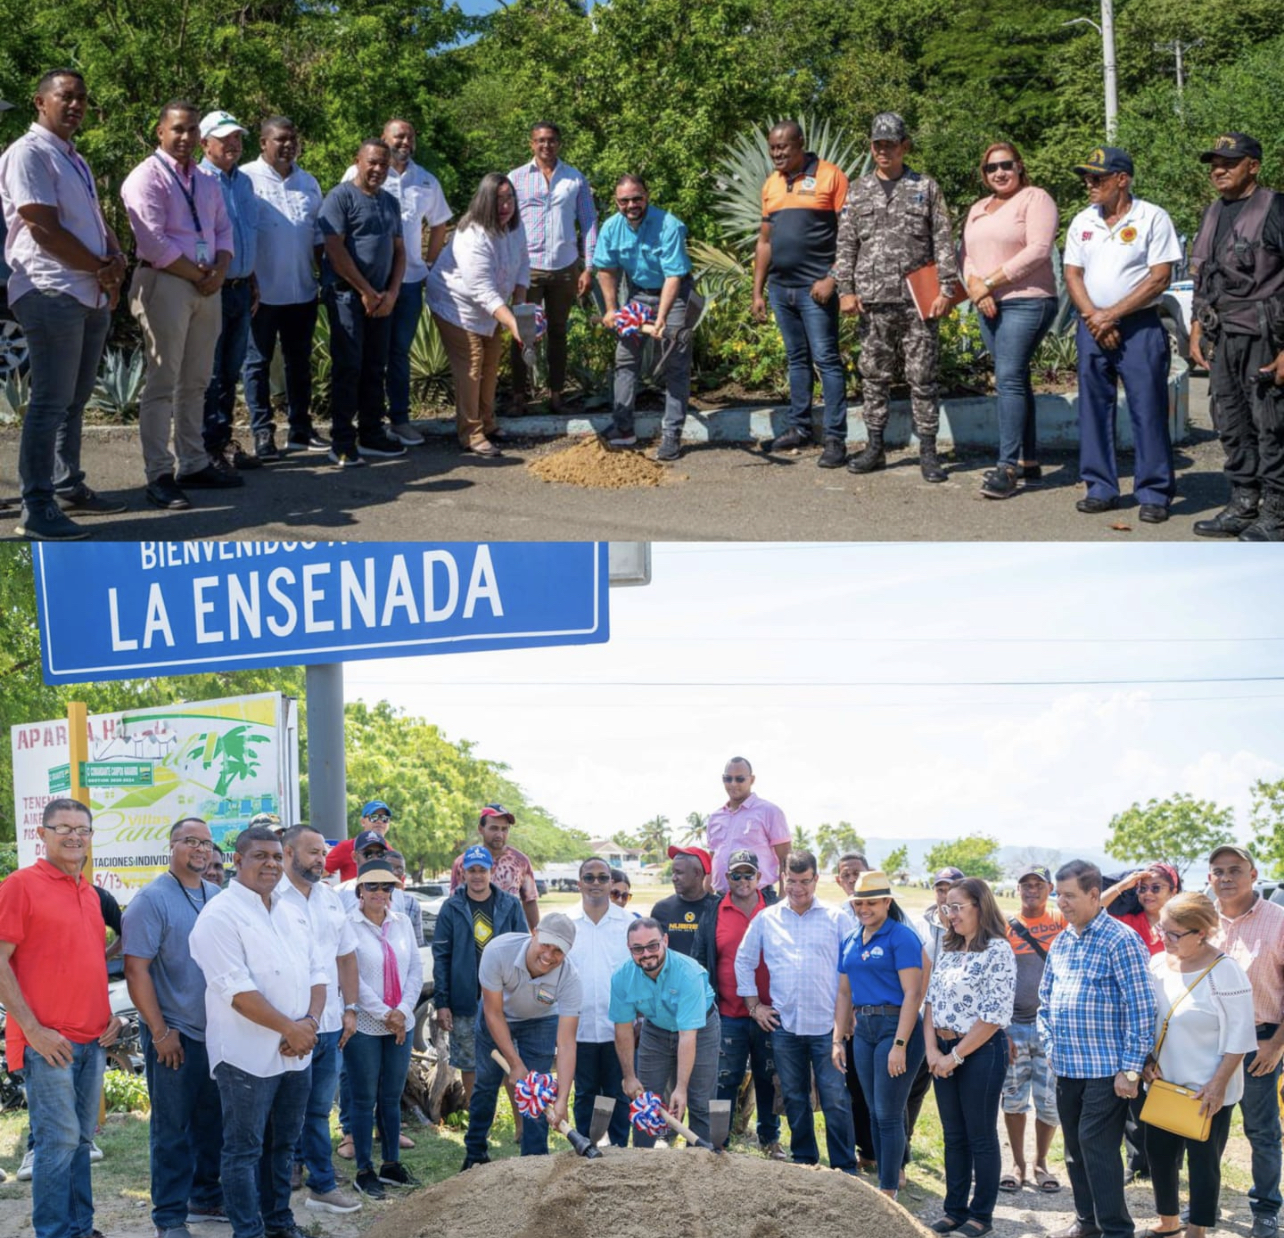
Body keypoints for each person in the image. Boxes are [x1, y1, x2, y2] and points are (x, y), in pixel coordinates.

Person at [0, 68, 128, 540]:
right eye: (65, 97)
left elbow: (93, 219)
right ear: (40, 102)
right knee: (49, 402)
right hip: (51, 288)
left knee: (73, 401)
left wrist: (114, 258)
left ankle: (67, 484)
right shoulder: (27, 153)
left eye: (82, 98)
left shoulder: (72, 156)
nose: (75, 105)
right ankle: (36, 507)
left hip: (87, 290)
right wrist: (100, 265)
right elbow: (42, 227)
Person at [188, 825, 326, 1238]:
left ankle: (279, 1223)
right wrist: (292, 1028)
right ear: (237, 860)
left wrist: (310, 1025)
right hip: (245, 1056)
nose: (270, 864)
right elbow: (237, 992)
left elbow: (318, 972)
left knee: (282, 1146)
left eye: (275, 857)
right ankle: (248, 1231)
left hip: (295, 1050)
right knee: (244, 1150)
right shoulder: (219, 916)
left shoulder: (290, 909)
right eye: (259, 856)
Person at [0, 799, 122, 1238]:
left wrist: (110, 1017)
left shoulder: (89, 893)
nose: (74, 836)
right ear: (43, 834)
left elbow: (83, 962)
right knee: (58, 1144)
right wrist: (32, 1030)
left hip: (93, 1040)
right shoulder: (20, 885)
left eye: (82, 829)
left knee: (80, 1144)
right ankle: (56, 1232)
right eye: (63, 828)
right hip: (48, 1044)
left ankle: (80, 1228)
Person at [121, 99, 238, 511]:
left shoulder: (206, 181)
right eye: (178, 130)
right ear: (160, 132)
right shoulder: (146, 177)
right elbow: (153, 241)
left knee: (197, 381)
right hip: (167, 282)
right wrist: (199, 275)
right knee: (162, 383)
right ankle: (158, 474)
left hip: (207, 286)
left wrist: (220, 270)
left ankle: (193, 462)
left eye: (192, 130)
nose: (185, 137)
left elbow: (223, 230)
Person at [834, 111, 958, 483]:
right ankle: (875, 447)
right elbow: (846, 243)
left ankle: (929, 452)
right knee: (874, 376)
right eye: (877, 144)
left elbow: (944, 240)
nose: (883, 150)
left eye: (890, 144)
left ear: (905, 145)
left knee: (923, 377)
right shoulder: (858, 190)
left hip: (918, 300)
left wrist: (947, 289)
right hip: (873, 300)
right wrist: (845, 290)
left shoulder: (926, 187)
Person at [1063, 146, 1183, 523]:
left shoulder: (1152, 218)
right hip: (1091, 325)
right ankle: (1100, 486)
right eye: (1087, 178)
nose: (1089, 184)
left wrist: (1111, 315)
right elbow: (1072, 274)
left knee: (1147, 409)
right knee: (1093, 408)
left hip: (1139, 326)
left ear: (1122, 179)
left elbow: (1160, 277)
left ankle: (1154, 492)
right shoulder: (1083, 221)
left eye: (1097, 178)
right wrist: (1094, 318)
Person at [1038, 860, 1155, 1238]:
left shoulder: (1121, 940)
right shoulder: (1061, 941)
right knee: (1074, 1150)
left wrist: (1131, 1069)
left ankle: (1116, 1230)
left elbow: (1142, 1008)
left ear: (1093, 894)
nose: (1061, 903)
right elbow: (1045, 1002)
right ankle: (1087, 1224)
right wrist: (1052, 1047)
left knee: (1097, 1149)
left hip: (1108, 1072)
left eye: (1069, 895)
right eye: (1058, 895)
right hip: (1066, 1068)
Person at [121, 817, 226, 1238]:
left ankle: (204, 1197)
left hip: (216, 1033)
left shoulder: (217, 895)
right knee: (172, 1128)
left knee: (211, 1123)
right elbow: (135, 971)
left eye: (206, 842)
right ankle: (168, 1217)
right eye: (190, 841)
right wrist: (161, 1032)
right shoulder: (151, 900)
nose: (200, 849)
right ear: (172, 845)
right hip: (174, 1033)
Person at [1143, 891, 1257, 1238]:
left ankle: (1198, 1228)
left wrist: (1218, 1084)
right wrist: (1146, 1060)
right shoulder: (1158, 964)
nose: (1165, 938)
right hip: (1163, 1084)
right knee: (1159, 1155)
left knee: (1203, 1162)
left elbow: (1239, 1037)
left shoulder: (1226, 972)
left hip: (1206, 1089)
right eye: (1163, 929)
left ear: (1201, 933)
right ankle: (1168, 1219)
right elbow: (1148, 1019)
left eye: (1175, 933)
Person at [1188, 133, 1284, 541]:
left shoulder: (1275, 208)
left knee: (1272, 425)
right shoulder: (1213, 212)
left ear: (1254, 166)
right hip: (1222, 335)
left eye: (1229, 162)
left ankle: (1278, 514)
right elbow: (1203, 277)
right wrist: (1196, 328)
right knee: (1231, 421)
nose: (1219, 170)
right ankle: (1245, 503)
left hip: (1265, 335)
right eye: (1214, 164)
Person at [735, 850, 855, 1172]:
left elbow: (853, 968)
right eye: (792, 880)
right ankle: (805, 1161)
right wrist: (754, 1006)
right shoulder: (767, 918)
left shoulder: (838, 918)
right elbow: (744, 960)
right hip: (785, 1026)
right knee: (793, 1097)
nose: (798, 888)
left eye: (805, 881)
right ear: (782, 878)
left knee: (835, 1098)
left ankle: (844, 1167)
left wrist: (848, 1016)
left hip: (828, 1027)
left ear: (816, 879)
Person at [341, 118, 451, 446]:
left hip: (409, 282)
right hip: (369, 283)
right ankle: (363, 422)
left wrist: (429, 262)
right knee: (365, 354)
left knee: (398, 353)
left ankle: (399, 420)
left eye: (409, 137)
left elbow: (441, 223)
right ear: (384, 139)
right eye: (398, 136)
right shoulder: (361, 173)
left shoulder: (426, 181)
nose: (404, 142)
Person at [959, 141, 1059, 499]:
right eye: (990, 168)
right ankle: (1029, 461)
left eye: (1005, 165)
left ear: (1019, 166)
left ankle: (1007, 467)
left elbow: (1038, 250)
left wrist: (989, 283)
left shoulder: (1035, 199)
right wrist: (975, 286)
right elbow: (966, 254)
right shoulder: (978, 208)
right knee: (1016, 378)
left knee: (1008, 377)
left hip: (1028, 301)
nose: (998, 172)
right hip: (988, 304)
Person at [753, 120, 851, 467]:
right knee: (797, 361)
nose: (777, 153)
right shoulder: (771, 185)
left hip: (817, 290)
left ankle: (836, 439)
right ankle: (800, 427)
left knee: (826, 360)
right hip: (782, 290)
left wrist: (833, 278)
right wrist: (758, 292)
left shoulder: (830, 176)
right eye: (773, 148)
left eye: (783, 147)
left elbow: (851, 234)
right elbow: (764, 241)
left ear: (801, 144)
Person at [924, 878, 1017, 1237]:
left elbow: (993, 1016)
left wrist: (955, 1057)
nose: (950, 915)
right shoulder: (948, 948)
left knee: (980, 1135)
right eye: (946, 908)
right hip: (943, 1050)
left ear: (980, 906)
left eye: (957, 907)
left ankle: (981, 1216)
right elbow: (930, 1001)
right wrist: (933, 1050)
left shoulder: (998, 951)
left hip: (979, 1052)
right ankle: (954, 1210)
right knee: (953, 1135)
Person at [277, 825, 362, 1213]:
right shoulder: (270, 898)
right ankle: (294, 1181)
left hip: (330, 1025)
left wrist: (351, 1009)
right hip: (290, 1026)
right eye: (312, 851)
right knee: (288, 1110)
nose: (320, 858)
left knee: (317, 1109)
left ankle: (319, 1181)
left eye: (322, 852)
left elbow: (346, 956)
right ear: (288, 853)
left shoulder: (331, 899)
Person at [240, 116, 329, 459]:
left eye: (293, 139)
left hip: (302, 292)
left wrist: (324, 279)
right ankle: (263, 434)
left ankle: (301, 429)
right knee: (257, 364)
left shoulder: (308, 182)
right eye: (280, 139)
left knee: (299, 362)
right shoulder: (246, 179)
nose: (288, 144)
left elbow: (318, 239)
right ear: (263, 143)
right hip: (261, 293)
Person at [462, 915, 581, 1169]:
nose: (549, 955)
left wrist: (562, 1099)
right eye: (545, 945)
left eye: (558, 950)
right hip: (496, 1015)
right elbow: (493, 1013)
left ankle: (534, 1162)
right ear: (534, 932)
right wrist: (514, 1062)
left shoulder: (570, 978)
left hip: (539, 1021)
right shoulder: (498, 951)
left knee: (537, 1090)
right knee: (485, 1084)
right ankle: (475, 1153)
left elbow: (568, 1043)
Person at [1207, 844, 1284, 1238]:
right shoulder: (1203, 920)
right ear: (1209, 878)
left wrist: (1277, 1045)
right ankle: (1205, 1203)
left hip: (1261, 1045)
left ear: (1254, 875)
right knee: (1206, 1127)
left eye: (1235, 870)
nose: (1226, 878)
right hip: (1210, 1045)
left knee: (1262, 1131)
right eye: (1218, 871)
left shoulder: (1279, 921)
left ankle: (1267, 1208)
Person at [832, 868, 924, 1194]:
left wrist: (900, 1043)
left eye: (871, 902)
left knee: (887, 1113)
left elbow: (914, 992)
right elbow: (844, 993)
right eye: (859, 903)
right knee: (873, 1111)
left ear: (887, 901)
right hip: (864, 1029)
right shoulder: (851, 939)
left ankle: (889, 1189)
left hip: (895, 1025)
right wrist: (837, 1038)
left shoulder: (901, 937)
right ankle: (884, 1182)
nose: (864, 909)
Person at [318, 137, 408, 467]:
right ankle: (342, 440)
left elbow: (400, 251)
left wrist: (391, 293)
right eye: (372, 162)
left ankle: (371, 434)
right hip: (347, 295)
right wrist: (365, 291)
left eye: (383, 164)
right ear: (357, 161)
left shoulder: (389, 202)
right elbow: (334, 250)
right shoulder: (339, 198)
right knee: (348, 367)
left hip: (382, 298)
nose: (378, 169)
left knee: (375, 366)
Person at [425, 172, 529, 458]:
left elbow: (523, 264)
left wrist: (520, 310)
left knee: (491, 361)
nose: (506, 205)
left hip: (492, 307)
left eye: (510, 198)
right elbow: (481, 290)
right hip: (456, 304)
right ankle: (470, 432)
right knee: (472, 362)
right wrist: (513, 322)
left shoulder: (515, 227)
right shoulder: (472, 234)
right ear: (485, 201)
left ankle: (487, 422)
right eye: (499, 200)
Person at [595, 174, 695, 461]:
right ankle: (624, 427)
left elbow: (674, 275)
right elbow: (606, 269)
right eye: (625, 200)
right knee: (625, 358)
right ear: (617, 202)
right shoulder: (611, 228)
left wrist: (661, 318)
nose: (631, 205)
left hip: (674, 294)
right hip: (639, 294)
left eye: (637, 198)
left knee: (675, 362)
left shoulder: (669, 226)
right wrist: (612, 309)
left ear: (646, 196)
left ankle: (672, 435)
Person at [692, 848, 784, 1159]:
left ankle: (770, 1139)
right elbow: (700, 960)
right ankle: (719, 1141)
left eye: (749, 874)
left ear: (760, 877)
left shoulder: (774, 908)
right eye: (736, 874)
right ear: (726, 878)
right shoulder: (715, 911)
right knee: (724, 1078)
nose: (742, 880)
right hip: (727, 1012)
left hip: (769, 1012)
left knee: (768, 1076)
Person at [344, 859, 422, 1200]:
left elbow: (416, 970)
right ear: (359, 888)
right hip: (365, 1024)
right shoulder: (348, 925)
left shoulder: (402, 922)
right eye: (372, 885)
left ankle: (391, 1164)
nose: (380, 892)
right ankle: (365, 1169)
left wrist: (403, 1011)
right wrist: (385, 1013)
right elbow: (351, 978)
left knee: (390, 1098)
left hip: (400, 1024)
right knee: (363, 1100)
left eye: (387, 886)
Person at [508, 121, 597, 414]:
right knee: (522, 332)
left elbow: (589, 223)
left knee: (558, 331)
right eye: (540, 141)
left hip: (564, 267)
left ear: (559, 143)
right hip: (527, 268)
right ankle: (520, 396)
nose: (546, 145)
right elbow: (506, 221)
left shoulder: (574, 179)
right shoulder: (516, 178)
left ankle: (556, 394)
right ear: (531, 144)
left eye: (551, 140)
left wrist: (588, 267)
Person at [610, 916, 720, 1148]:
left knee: (699, 1099)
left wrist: (680, 1088)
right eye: (638, 949)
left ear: (666, 941)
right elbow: (622, 1030)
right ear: (629, 949)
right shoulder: (621, 978)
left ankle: (700, 1164)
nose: (647, 954)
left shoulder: (689, 974)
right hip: (656, 1029)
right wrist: (629, 1076)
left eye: (652, 945)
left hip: (700, 1030)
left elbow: (687, 1036)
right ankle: (643, 1161)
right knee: (645, 1098)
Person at [431, 843, 526, 1110]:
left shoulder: (510, 905)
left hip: (505, 1000)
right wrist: (442, 1002)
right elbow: (442, 957)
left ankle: (520, 1124)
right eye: (471, 870)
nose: (476, 875)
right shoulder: (452, 907)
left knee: (511, 1059)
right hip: (466, 999)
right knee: (469, 1063)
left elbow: (523, 949)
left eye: (481, 870)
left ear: (491, 871)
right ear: (463, 873)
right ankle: (478, 1121)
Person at [197, 110, 259, 482]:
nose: (233, 144)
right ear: (205, 143)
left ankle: (223, 441)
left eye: (236, 138)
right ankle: (206, 448)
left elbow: (247, 234)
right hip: (212, 289)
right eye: (224, 139)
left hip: (241, 287)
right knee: (210, 373)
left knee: (231, 370)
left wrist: (253, 277)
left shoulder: (245, 182)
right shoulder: (200, 180)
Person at [1000, 864, 1064, 1194]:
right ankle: (1018, 1164)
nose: (1031, 889)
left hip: (1050, 1028)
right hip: (1014, 1026)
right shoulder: (1006, 926)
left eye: (1038, 884)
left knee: (1048, 1102)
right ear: (1018, 888)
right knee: (1013, 1099)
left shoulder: (1060, 922)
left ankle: (1040, 1163)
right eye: (1025, 884)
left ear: (1050, 888)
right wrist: (1002, 1029)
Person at [566, 856, 633, 1148]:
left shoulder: (629, 924)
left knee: (619, 1092)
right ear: (579, 883)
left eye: (602, 878)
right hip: (577, 1028)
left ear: (610, 883)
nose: (596, 883)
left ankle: (620, 1151)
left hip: (618, 1028)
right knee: (585, 1093)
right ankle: (585, 1148)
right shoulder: (565, 923)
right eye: (589, 877)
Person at [832, 851, 877, 1169]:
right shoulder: (834, 916)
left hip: (877, 1012)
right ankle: (865, 1151)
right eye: (845, 875)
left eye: (856, 874)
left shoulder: (885, 913)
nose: (851, 880)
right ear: (838, 880)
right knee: (853, 1088)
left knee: (881, 1089)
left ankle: (887, 1155)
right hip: (845, 1014)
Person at [706, 755, 791, 900]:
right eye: (728, 778)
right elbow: (711, 861)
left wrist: (783, 900)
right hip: (721, 899)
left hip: (760, 898)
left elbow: (786, 858)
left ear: (751, 780)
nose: (733, 784)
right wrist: (706, 897)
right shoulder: (715, 817)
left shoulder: (769, 812)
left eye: (739, 779)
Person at [448, 804, 540, 930]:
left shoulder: (520, 861)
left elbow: (529, 901)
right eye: (494, 828)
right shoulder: (463, 862)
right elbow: (455, 904)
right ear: (481, 829)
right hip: (474, 936)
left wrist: (537, 935)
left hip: (510, 936)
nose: (499, 834)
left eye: (504, 829)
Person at [650, 845, 719, 965]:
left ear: (697, 873)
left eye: (679, 872)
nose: (673, 878)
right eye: (673, 872)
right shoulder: (661, 909)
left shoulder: (718, 908)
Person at [1102, 862, 1181, 956]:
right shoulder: (1125, 923)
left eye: (1156, 888)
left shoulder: (1184, 925)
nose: (1148, 893)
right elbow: (1089, 912)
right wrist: (1123, 885)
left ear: (1173, 892)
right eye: (1142, 888)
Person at [325, 800, 392, 882]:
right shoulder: (346, 847)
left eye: (384, 818)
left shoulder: (392, 853)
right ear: (363, 822)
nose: (379, 821)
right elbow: (319, 872)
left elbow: (398, 888)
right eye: (374, 817)